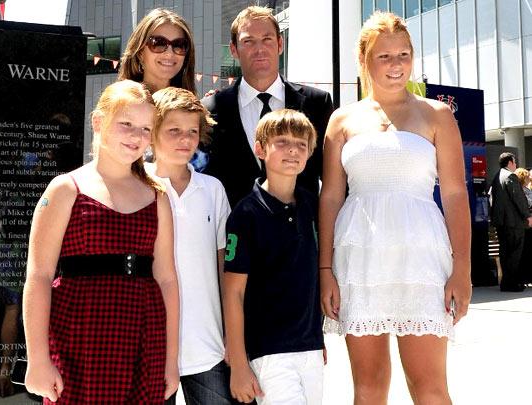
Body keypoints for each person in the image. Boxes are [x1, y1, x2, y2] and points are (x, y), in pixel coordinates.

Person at [319, 12, 471, 404]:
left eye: (404, 53)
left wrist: (463, 268)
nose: (397, 64)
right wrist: (325, 271)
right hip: (359, 263)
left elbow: (455, 194)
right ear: (364, 59)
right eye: (385, 56)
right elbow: (331, 197)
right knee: (368, 388)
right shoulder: (341, 120)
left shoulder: (436, 114)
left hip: (422, 261)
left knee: (430, 388)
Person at [22, 80, 180, 404]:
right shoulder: (65, 189)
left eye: (146, 129)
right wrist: (38, 359)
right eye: (126, 124)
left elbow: (166, 278)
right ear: (98, 122)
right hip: (78, 339)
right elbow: (38, 276)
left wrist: (171, 359)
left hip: (143, 339)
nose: (137, 137)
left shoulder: (157, 196)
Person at [223, 109, 325, 404]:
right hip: (269, 352)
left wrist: (316, 339)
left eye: (301, 144)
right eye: (281, 141)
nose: (293, 149)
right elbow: (233, 293)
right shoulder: (245, 214)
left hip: (310, 348)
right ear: (260, 149)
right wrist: (239, 364)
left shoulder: (311, 206)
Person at [144, 87, 235, 405]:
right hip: (149, 346)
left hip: (206, 344)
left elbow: (225, 263)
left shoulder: (213, 189)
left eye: (192, 132)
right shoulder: (136, 186)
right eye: (174, 131)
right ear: (152, 132)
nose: (185, 139)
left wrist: (232, 332)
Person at [202, 6, 333, 207]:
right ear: (234, 49)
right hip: (233, 232)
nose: (259, 49)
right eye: (248, 41)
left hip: (301, 231)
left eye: (267, 39)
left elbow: (332, 180)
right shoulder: (210, 110)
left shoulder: (316, 103)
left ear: (280, 44)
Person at [118, 8, 196, 95]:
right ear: (140, 52)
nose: (169, 54)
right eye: (159, 43)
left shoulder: (192, 106)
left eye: (178, 45)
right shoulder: (120, 103)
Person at [490, 153, 532, 292]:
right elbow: (518, 199)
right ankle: (512, 283)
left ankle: (506, 283)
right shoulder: (510, 176)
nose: (515, 165)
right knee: (515, 252)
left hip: (502, 222)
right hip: (513, 222)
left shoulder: (497, 176)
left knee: (505, 252)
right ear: (510, 162)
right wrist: (528, 216)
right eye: (514, 162)